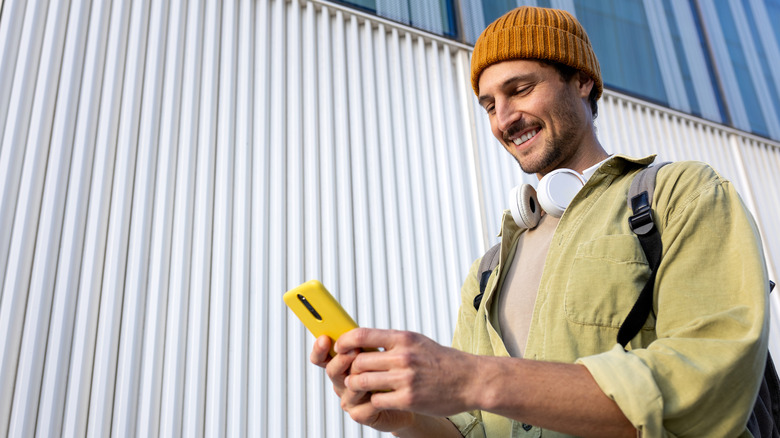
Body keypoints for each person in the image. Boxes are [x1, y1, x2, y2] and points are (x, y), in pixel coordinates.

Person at [310, 6, 770, 437]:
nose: (504, 119)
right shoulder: (487, 271)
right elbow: (473, 427)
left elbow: (709, 381)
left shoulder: (681, 194)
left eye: (520, 89)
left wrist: (475, 377)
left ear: (583, 81)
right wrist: (407, 418)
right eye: (489, 105)